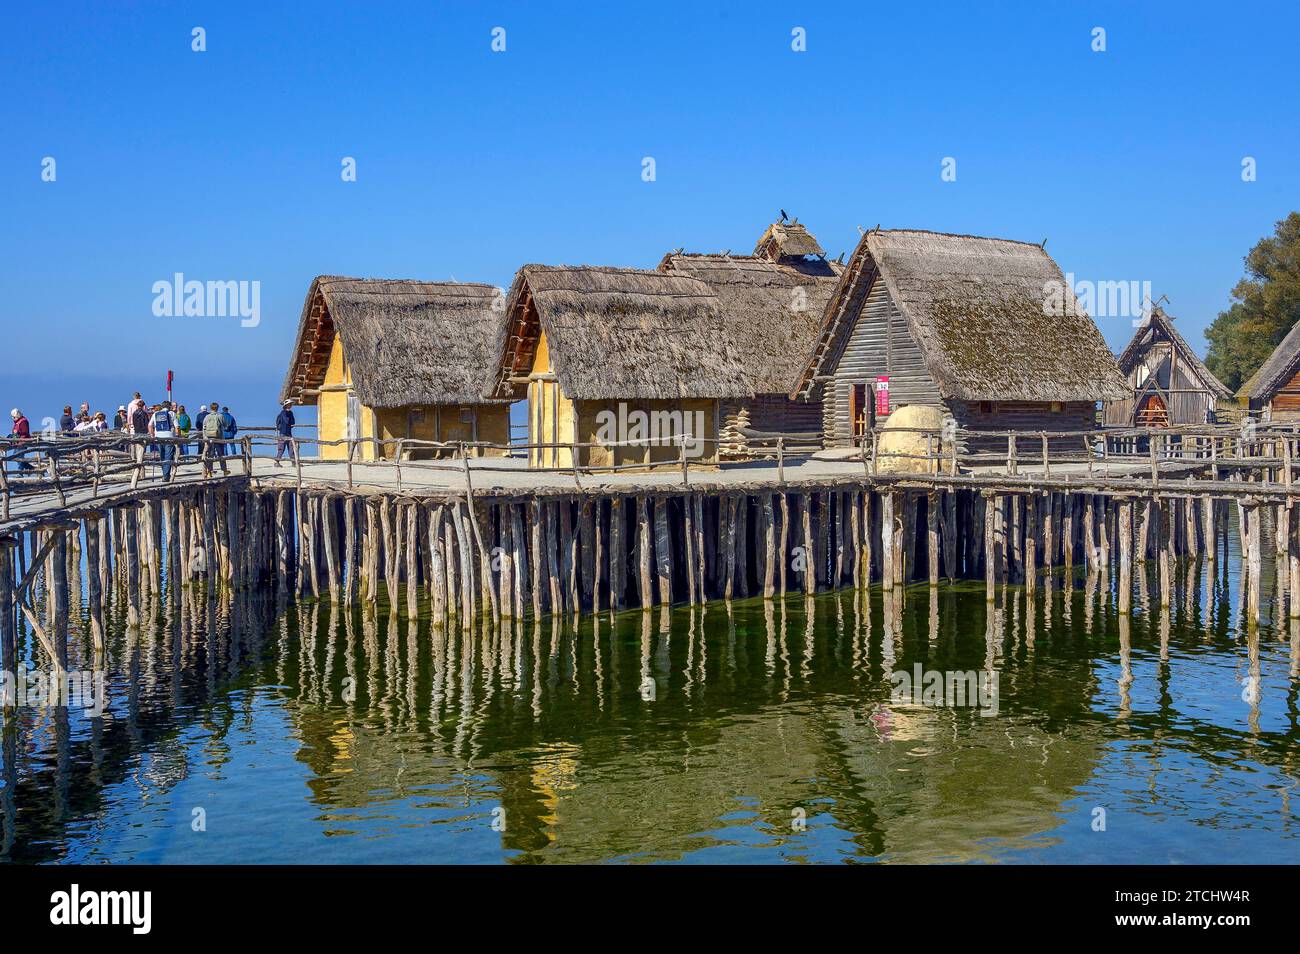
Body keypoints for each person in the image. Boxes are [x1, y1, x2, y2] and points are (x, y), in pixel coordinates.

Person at [149, 401, 178, 480]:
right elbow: (177, 427)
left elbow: (150, 425)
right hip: (169, 437)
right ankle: (166, 476)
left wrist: (152, 436)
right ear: (169, 407)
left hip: (158, 437)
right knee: (168, 456)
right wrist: (178, 436)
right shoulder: (172, 414)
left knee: (162, 456)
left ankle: (165, 474)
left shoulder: (155, 414)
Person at [201, 402, 227, 475]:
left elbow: (204, 427)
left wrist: (205, 437)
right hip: (218, 437)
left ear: (210, 408)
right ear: (217, 408)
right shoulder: (220, 416)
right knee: (221, 454)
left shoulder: (207, 417)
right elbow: (225, 425)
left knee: (210, 455)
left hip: (209, 437)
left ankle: (209, 471)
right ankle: (224, 470)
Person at [129, 400, 151, 468]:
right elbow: (146, 422)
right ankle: (140, 460)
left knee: (137, 446)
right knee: (143, 447)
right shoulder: (144, 413)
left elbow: (134, 422)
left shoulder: (134, 413)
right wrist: (147, 430)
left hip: (137, 430)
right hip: (143, 430)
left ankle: (137, 460)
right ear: (143, 406)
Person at [274, 400, 296, 466]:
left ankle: (293, 462)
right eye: (289, 404)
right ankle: (277, 462)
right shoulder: (283, 412)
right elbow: (287, 421)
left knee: (291, 448)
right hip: (283, 433)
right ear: (286, 405)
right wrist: (289, 417)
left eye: (291, 404)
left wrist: (289, 417)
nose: (290, 405)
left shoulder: (290, 413)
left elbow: (293, 422)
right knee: (281, 448)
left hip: (288, 433)